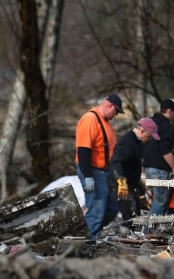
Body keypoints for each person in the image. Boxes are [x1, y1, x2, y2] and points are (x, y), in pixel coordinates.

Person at [75, 94, 124, 239]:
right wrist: (88, 176)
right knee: (96, 210)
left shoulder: (104, 122)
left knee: (111, 208)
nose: (115, 115)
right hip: (92, 172)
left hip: (103, 173)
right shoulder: (90, 119)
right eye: (116, 112)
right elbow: (84, 149)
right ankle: (88, 243)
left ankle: (89, 233)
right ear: (111, 107)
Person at [108, 118, 160, 223]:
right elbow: (115, 163)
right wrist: (121, 181)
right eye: (149, 136)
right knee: (131, 216)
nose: (149, 139)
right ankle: (128, 236)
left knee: (135, 212)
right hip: (120, 185)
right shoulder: (127, 142)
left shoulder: (137, 142)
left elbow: (132, 164)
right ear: (142, 131)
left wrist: (138, 182)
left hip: (130, 184)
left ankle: (131, 234)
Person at [142, 98, 174, 216]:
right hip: (159, 170)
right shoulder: (167, 127)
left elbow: (142, 146)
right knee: (160, 202)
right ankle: (149, 231)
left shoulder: (149, 123)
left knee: (155, 200)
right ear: (170, 111)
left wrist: (142, 170)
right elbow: (165, 150)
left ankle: (152, 230)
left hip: (147, 168)